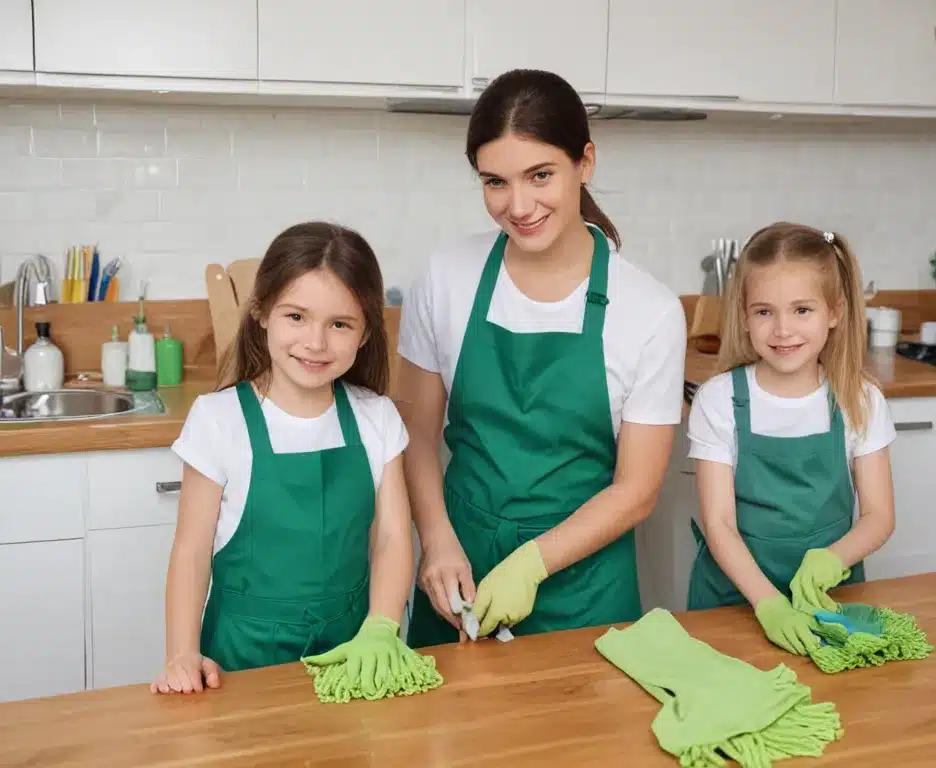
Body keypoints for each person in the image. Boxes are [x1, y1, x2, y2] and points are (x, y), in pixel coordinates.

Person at [397, 68, 687, 647]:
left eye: (540, 175)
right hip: (459, 576)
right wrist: (436, 541)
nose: (519, 205)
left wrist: (532, 564)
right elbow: (416, 433)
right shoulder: (447, 276)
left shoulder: (649, 311)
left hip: (583, 588)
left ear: (585, 163)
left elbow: (638, 490)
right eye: (495, 182)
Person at [151, 221, 414, 694]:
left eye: (339, 324)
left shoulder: (378, 420)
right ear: (262, 312)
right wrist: (181, 654)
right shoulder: (218, 420)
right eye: (296, 317)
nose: (315, 343)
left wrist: (381, 628)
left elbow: (393, 538)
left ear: (365, 332)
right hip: (239, 663)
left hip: (350, 656)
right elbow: (190, 551)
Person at [685, 222, 897, 656]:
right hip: (735, 603)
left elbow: (879, 516)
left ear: (834, 312)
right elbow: (719, 524)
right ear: (744, 316)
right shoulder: (719, 399)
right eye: (764, 311)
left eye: (802, 310)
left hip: (832, 602)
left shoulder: (859, 399)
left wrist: (834, 559)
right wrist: (767, 604)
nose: (783, 330)